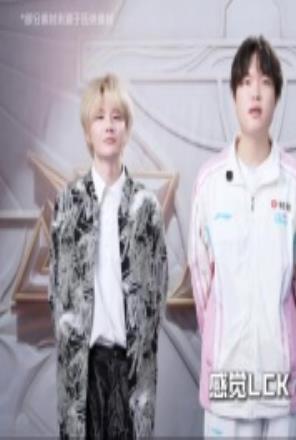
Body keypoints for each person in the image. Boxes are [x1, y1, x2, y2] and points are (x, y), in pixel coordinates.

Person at [188, 35, 296, 438]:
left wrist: (283, 341)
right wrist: (222, 337)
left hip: (277, 375)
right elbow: (201, 283)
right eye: (245, 82)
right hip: (226, 375)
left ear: (277, 95)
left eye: (265, 81)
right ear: (233, 95)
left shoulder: (294, 182)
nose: (255, 92)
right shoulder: (209, 182)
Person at [48, 73, 168, 439]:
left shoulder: (145, 205)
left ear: (127, 129)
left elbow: (159, 287)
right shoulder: (68, 203)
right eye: (99, 117)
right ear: (88, 131)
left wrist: (142, 344)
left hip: (131, 368)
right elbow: (56, 289)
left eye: (117, 117)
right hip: (82, 368)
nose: (109, 126)